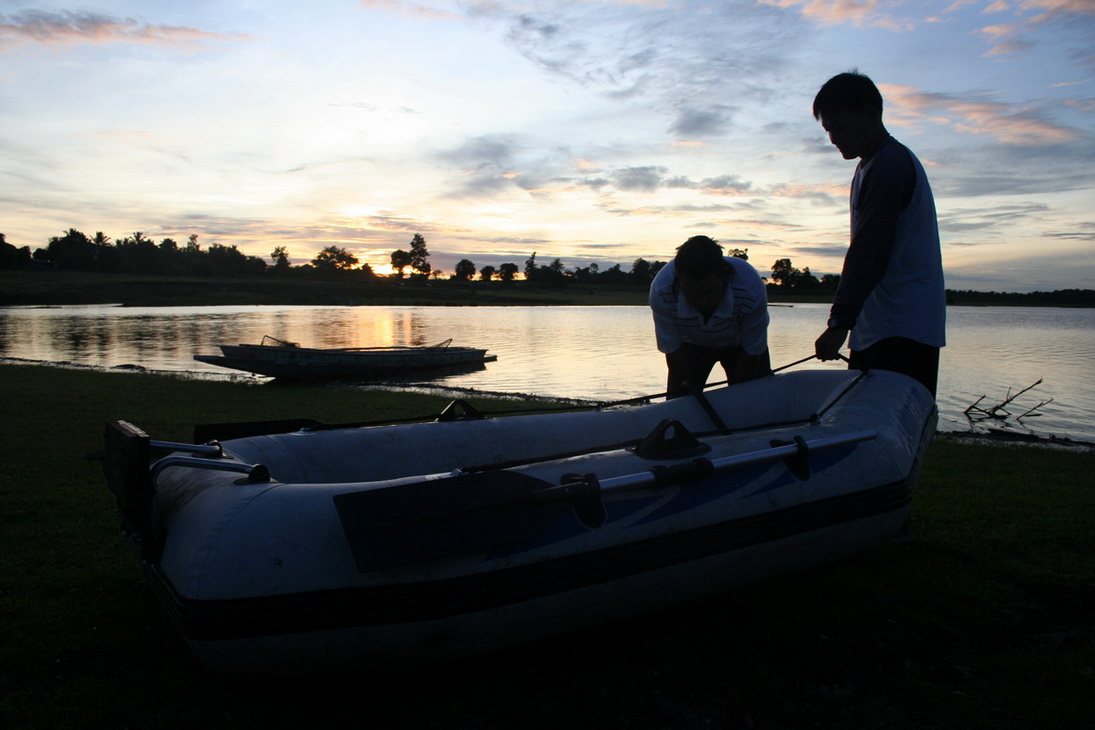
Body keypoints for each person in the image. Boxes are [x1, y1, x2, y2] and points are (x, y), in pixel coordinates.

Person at [811, 71, 946, 397]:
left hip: (902, 330)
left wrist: (839, 321)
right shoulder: (868, 166)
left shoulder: (889, 165)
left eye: (839, 128)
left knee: (884, 422)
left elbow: (870, 249)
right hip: (878, 328)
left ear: (870, 115)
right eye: (828, 130)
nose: (833, 139)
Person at [649, 235, 771, 397]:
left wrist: (740, 397)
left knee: (752, 398)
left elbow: (751, 354)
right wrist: (686, 394)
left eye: (709, 291)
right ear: (679, 281)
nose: (702, 302)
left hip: (741, 345)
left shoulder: (751, 288)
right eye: (692, 293)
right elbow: (674, 352)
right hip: (690, 344)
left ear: (724, 276)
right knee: (679, 401)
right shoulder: (662, 291)